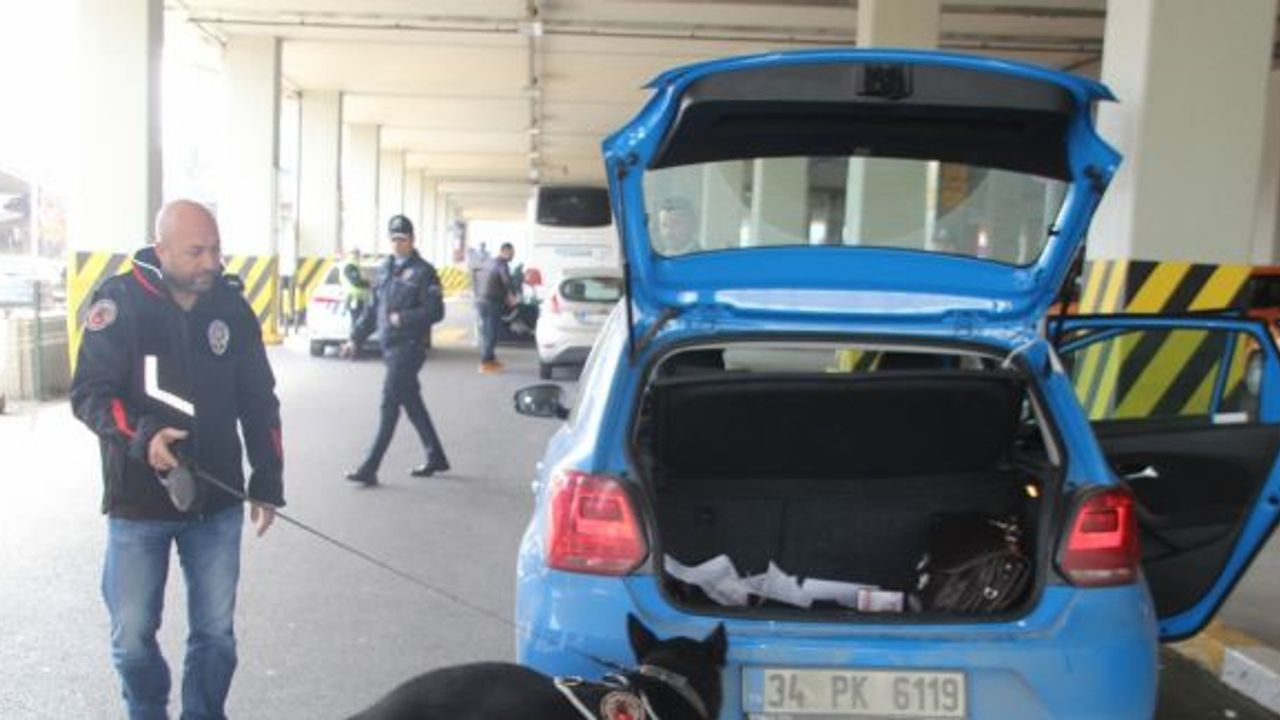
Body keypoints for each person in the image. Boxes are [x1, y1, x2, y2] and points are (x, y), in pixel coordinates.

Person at [70, 199, 283, 720]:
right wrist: (144, 438)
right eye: (196, 252)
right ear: (161, 249)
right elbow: (90, 394)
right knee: (132, 639)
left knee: (216, 636)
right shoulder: (119, 303)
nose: (211, 262)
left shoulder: (231, 308)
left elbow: (259, 399)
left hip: (218, 503)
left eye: (216, 250)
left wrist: (267, 477)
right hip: (137, 505)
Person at [343, 214, 450, 485]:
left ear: (412, 240)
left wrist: (404, 318)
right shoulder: (386, 268)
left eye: (402, 239)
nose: (397, 244)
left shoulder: (424, 272)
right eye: (393, 239)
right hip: (388, 348)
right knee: (412, 404)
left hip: (409, 348)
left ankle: (370, 467)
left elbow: (436, 311)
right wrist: (355, 338)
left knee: (389, 405)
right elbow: (372, 310)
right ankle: (436, 456)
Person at [476, 242, 517, 374]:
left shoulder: (489, 262)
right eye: (512, 253)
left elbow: (478, 278)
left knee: (487, 331)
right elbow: (506, 280)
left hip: (481, 301)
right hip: (492, 302)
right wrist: (511, 295)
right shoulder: (502, 264)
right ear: (505, 251)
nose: (513, 256)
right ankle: (484, 362)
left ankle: (491, 359)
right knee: (492, 333)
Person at [338, 248, 372, 335]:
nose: (360, 257)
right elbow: (355, 281)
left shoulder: (353, 265)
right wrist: (368, 284)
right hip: (355, 298)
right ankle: (354, 339)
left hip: (357, 298)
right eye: (358, 255)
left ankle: (355, 338)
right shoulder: (351, 265)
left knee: (358, 322)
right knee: (356, 323)